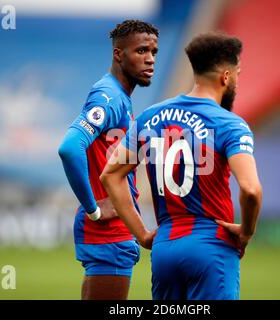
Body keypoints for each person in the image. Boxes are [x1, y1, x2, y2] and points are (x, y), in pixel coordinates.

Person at [100, 31, 262, 300]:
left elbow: (111, 175)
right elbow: (251, 189)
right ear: (226, 76)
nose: (236, 81)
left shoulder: (150, 117)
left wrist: (141, 234)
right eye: (237, 74)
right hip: (211, 246)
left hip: (165, 248)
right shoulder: (229, 124)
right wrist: (246, 232)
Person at [58, 19, 159, 300]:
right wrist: (94, 208)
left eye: (154, 52)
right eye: (141, 51)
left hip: (111, 228)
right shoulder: (109, 97)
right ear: (118, 54)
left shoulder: (120, 98)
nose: (150, 59)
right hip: (109, 228)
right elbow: (69, 147)